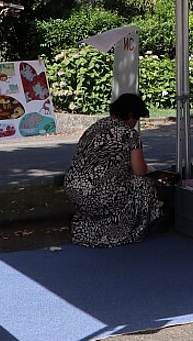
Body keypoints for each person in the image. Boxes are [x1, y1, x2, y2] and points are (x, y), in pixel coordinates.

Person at [64, 93, 163, 247]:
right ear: (130, 115)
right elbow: (139, 171)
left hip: (74, 189)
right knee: (143, 185)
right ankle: (125, 232)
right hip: (100, 193)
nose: (135, 123)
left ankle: (86, 231)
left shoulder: (94, 128)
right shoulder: (129, 134)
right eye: (136, 119)